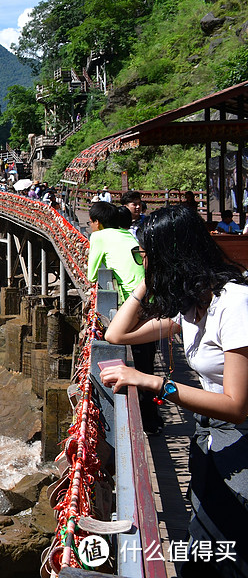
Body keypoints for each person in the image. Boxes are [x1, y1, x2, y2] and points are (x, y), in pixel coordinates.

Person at [99, 205, 248, 576]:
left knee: (222, 547)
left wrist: (153, 382)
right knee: (200, 546)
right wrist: (147, 281)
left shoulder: (234, 304)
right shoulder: (195, 306)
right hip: (211, 436)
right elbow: (115, 335)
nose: (141, 260)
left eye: (145, 254)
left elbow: (236, 406)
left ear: (171, 255)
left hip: (239, 438)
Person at [87, 201, 160, 433]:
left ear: (97, 223)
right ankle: (151, 417)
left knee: (133, 356)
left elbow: (91, 275)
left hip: (134, 302)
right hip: (152, 299)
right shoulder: (128, 234)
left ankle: (142, 420)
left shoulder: (99, 236)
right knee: (146, 360)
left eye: (90, 222)